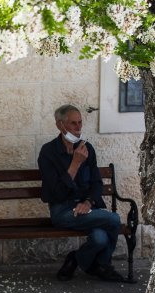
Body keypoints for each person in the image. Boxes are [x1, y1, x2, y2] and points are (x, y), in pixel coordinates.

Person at [38, 104, 125, 282]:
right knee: (114, 220)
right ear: (60, 125)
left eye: (80, 123)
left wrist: (88, 202)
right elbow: (56, 193)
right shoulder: (48, 152)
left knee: (100, 239)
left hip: (87, 208)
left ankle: (78, 260)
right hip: (63, 211)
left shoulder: (88, 149)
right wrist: (75, 163)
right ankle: (102, 266)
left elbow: (96, 183)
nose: (78, 128)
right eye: (73, 124)